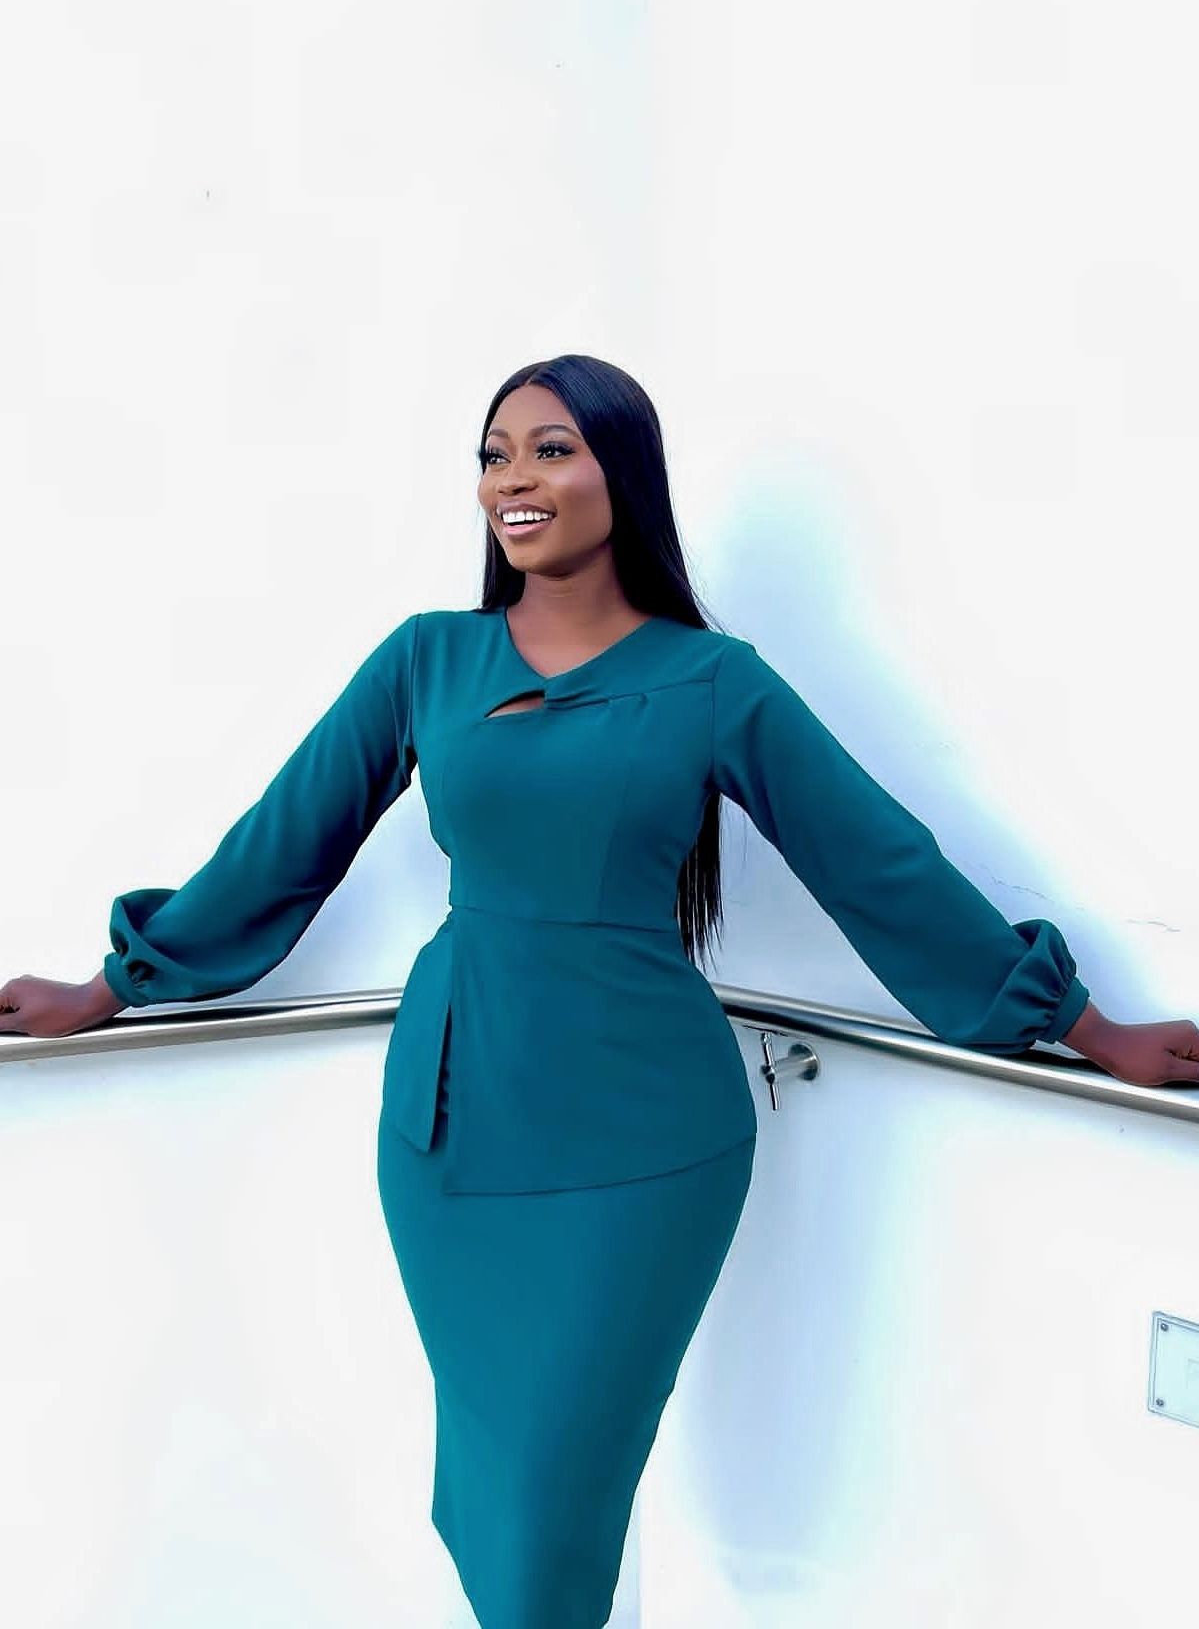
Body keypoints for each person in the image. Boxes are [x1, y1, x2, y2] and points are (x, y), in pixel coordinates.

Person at [4, 352, 1197, 1629]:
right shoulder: (426, 661)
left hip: (644, 1148)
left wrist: (1082, 1027)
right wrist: (114, 987)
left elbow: (876, 865)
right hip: (452, 1135)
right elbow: (281, 843)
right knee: (495, 1488)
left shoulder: (712, 678)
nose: (512, 479)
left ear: (621, 470)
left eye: (550, 448)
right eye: (493, 454)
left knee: (552, 1507)